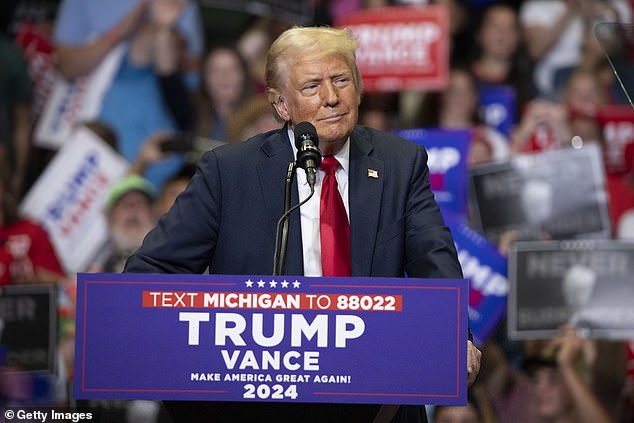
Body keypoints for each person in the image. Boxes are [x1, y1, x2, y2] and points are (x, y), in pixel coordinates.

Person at [124, 26, 481, 423]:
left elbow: (435, 261)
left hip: (378, 403)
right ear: (281, 105)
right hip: (262, 403)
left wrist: (455, 336)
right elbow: (149, 273)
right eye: (311, 86)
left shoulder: (401, 163)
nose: (331, 97)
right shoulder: (229, 172)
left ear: (358, 88)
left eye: (341, 80)